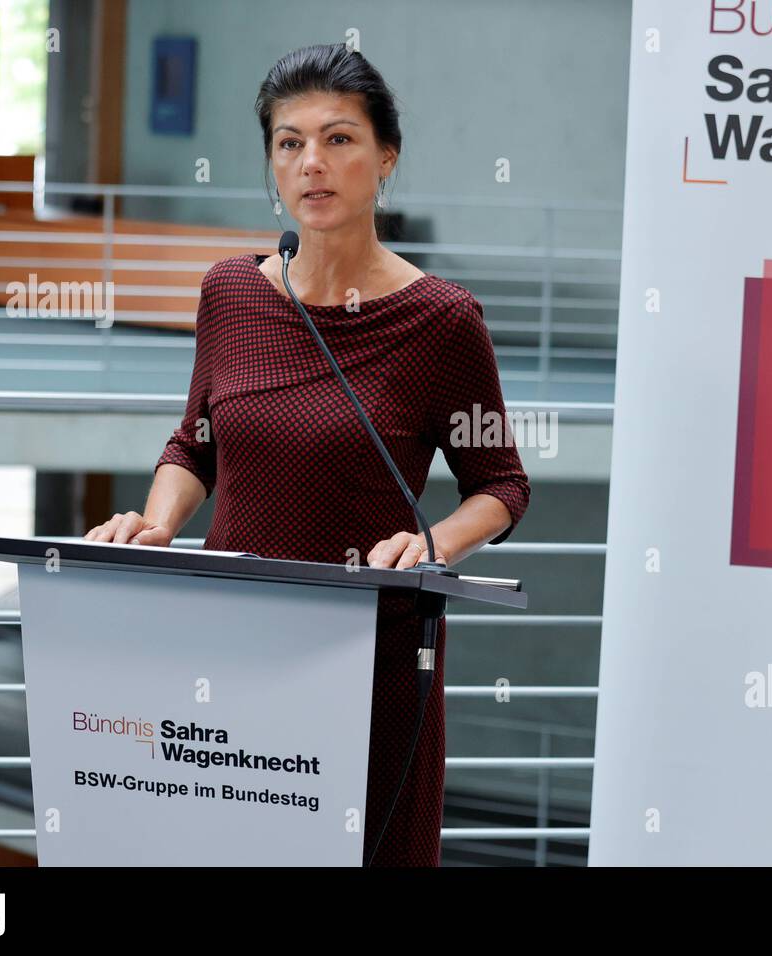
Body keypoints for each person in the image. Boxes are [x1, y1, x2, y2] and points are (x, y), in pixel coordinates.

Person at [83, 43, 530, 866]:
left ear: (386, 157)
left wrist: (437, 545)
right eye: (289, 143)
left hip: (373, 665)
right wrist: (156, 521)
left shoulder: (442, 320)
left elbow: (500, 482)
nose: (312, 164)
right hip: (234, 657)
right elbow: (197, 443)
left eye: (338, 139)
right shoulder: (230, 291)